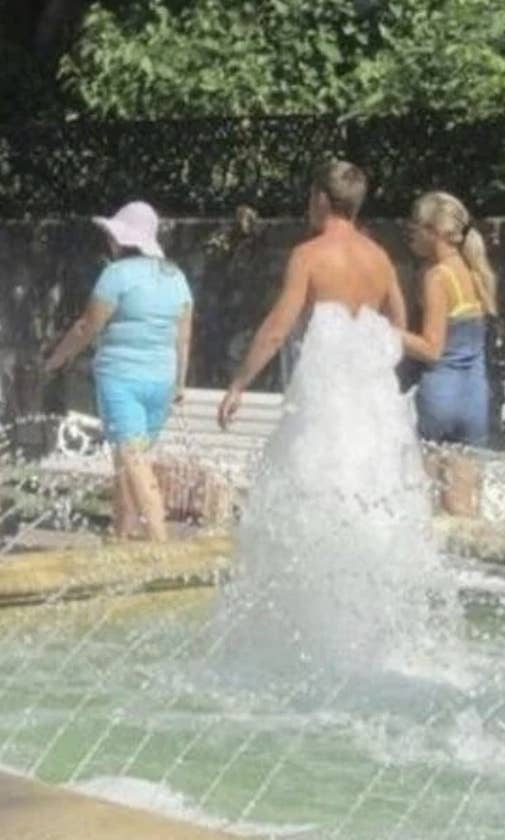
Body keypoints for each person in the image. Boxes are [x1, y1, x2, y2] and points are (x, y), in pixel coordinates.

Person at [216, 161, 439, 676]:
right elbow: (398, 328)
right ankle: (369, 630)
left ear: (320, 198)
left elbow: (278, 327)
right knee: (370, 495)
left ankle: (305, 630)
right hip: (370, 403)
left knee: (309, 488)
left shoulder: (309, 255)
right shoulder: (381, 259)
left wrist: (240, 382)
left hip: (324, 402)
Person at [44, 201, 194, 542]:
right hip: (162, 381)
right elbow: (184, 337)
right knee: (129, 459)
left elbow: (86, 327)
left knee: (133, 458)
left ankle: (161, 541)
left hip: (121, 381)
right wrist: (181, 382)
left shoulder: (116, 275)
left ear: (121, 240)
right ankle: (121, 533)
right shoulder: (176, 277)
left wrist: (57, 359)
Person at [402, 191, 498, 517]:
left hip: (439, 399)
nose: (409, 232)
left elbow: (431, 348)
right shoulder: (475, 272)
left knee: (427, 512)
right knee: (465, 509)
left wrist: (383, 332)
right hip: (475, 399)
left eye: (416, 225)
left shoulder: (436, 277)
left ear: (435, 231)